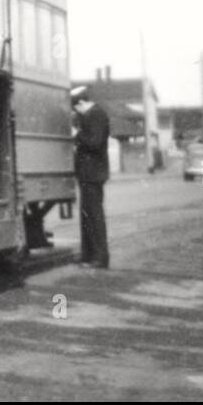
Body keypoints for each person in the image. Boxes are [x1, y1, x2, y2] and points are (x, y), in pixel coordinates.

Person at [71, 85, 110, 269]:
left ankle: (99, 258)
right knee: (87, 216)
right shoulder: (91, 114)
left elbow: (95, 142)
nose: (76, 112)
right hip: (89, 173)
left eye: (76, 108)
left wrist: (76, 135)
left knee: (93, 217)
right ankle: (88, 255)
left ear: (80, 103)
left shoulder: (96, 115)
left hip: (93, 173)